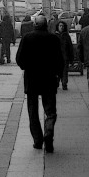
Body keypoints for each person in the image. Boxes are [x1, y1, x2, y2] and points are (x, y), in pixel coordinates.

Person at [15, 14, 64, 153]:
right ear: (46, 25)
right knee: (50, 110)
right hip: (49, 78)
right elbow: (60, 59)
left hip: (32, 79)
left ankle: (37, 140)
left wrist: (26, 67)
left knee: (32, 110)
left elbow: (19, 58)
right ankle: (48, 131)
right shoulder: (53, 38)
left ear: (35, 25)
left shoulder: (27, 38)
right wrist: (58, 74)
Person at [56, 20, 74, 90]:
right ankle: (56, 82)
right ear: (57, 27)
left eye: (63, 26)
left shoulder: (66, 36)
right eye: (60, 26)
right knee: (57, 71)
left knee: (64, 71)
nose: (61, 27)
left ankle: (64, 83)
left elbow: (70, 47)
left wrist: (71, 59)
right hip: (57, 57)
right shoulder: (55, 36)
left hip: (64, 57)